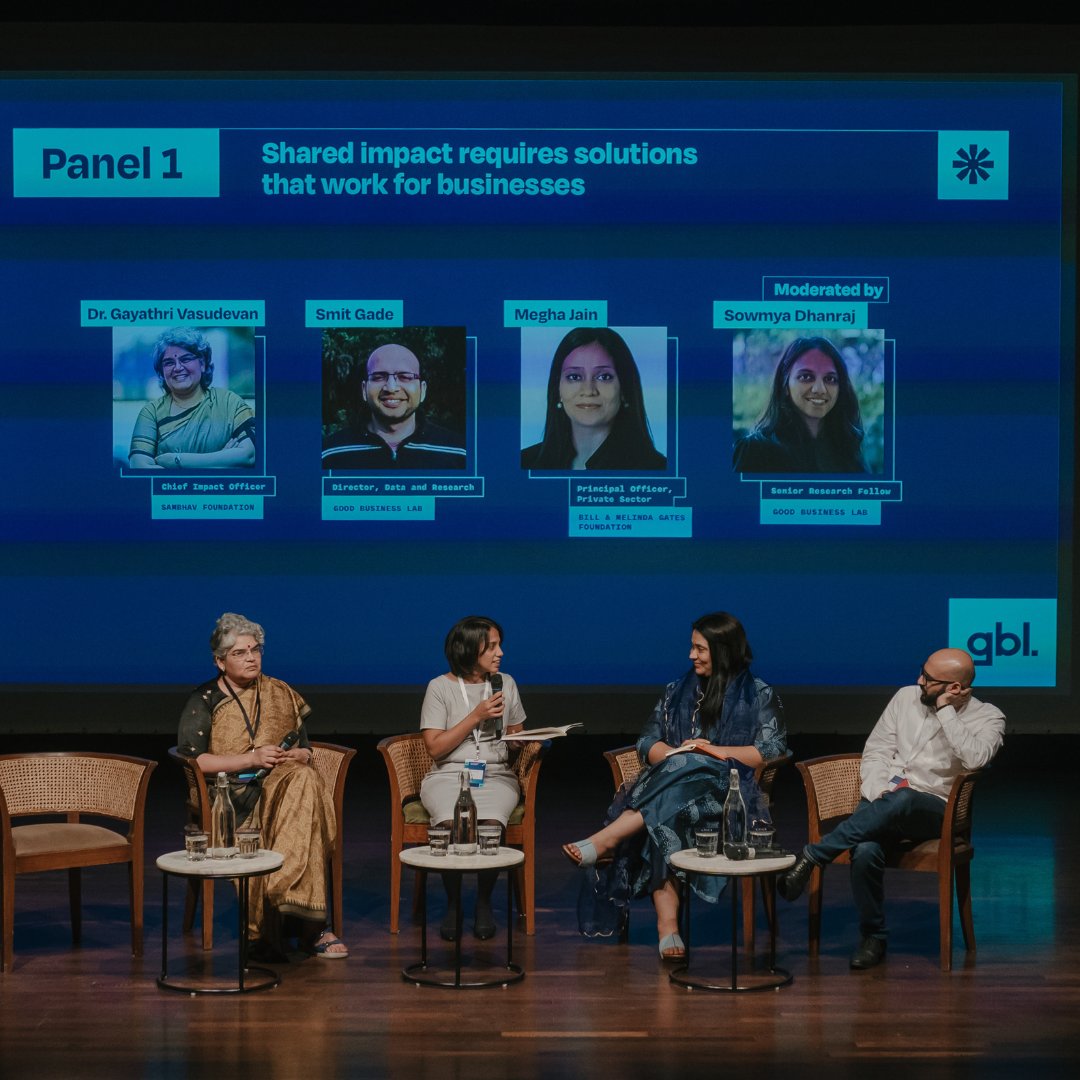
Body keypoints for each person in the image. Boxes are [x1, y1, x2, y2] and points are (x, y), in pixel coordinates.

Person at [563, 612, 786, 959]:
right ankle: (668, 929)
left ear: (723, 651)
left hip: (728, 793)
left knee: (689, 765)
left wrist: (711, 751)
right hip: (671, 790)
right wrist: (670, 754)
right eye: (691, 647)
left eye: (700, 649)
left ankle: (611, 841)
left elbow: (771, 749)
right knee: (669, 798)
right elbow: (646, 740)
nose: (691, 656)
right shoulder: (675, 691)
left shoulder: (758, 693)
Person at [777, 648, 1004, 970]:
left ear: (954, 688)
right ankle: (873, 937)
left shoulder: (988, 717)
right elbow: (877, 751)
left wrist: (946, 711)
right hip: (884, 799)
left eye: (928, 679)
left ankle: (813, 856)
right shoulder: (905, 697)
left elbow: (976, 758)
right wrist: (878, 791)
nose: (919, 680)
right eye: (922, 672)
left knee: (907, 797)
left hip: (936, 809)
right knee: (866, 849)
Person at [177, 613, 346, 959]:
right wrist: (250, 760)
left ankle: (277, 907)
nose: (251, 657)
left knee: (304, 778)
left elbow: (306, 748)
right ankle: (311, 926)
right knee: (307, 802)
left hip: (284, 787)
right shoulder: (204, 699)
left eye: (255, 650)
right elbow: (196, 761)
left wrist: (299, 755)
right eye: (240, 652)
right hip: (231, 796)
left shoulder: (280, 692)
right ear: (220, 661)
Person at [420, 615, 526, 940]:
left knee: (490, 826)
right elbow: (435, 748)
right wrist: (476, 716)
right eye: (492, 646)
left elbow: (516, 732)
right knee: (454, 823)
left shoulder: (505, 682)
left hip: (495, 774)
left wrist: (521, 740)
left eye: (499, 645)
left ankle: (483, 902)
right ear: (470, 649)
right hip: (448, 774)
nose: (500, 653)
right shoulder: (440, 687)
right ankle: (454, 903)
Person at [521, 327, 667, 471]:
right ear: (558, 389)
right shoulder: (525, 462)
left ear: (624, 390)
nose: (589, 391)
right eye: (574, 377)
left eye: (604, 377)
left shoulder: (656, 468)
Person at [732, 336, 867, 473]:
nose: (819, 389)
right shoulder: (754, 451)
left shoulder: (849, 454)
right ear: (785, 385)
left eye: (830, 379)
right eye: (806, 377)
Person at [321, 343, 466, 469]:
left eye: (405, 377)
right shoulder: (329, 453)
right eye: (378, 377)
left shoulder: (459, 452)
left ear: (422, 390)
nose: (391, 388)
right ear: (364, 390)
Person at [128, 327, 256, 469]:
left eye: (186, 359)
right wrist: (222, 460)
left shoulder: (230, 402)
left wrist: (176, 460)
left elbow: (249, 455)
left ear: (202, 364)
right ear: (161, 371)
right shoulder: (151, 412)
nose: (177, 368)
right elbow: (139, 466)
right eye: (169, 363)